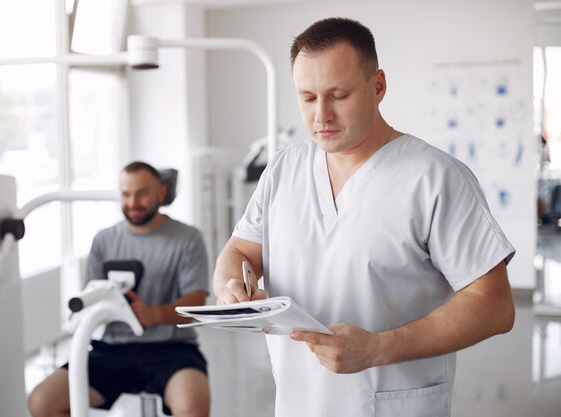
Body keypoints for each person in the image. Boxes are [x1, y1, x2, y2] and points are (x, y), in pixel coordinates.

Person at [213, 17, 515, 417]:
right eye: (307, 97)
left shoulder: (434, 178)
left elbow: (495, 306)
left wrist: (379, 347)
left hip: (392, 405)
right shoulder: (284, 169)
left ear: (378, 86)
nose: (321, 115)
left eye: (338, 95)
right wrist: (231, 285)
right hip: (298, 403)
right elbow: (240, 250)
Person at [28, 161, 210, 417]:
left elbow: (197, 302)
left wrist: (155, 314)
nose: (133, 202)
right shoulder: (104, 240)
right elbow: (90, 292)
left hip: (171, 349)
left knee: (193, 406)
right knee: (41, 402)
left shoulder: (187, 238)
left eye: (142, 193)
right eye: (126, 194)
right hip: (112, 350)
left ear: (160, 193)